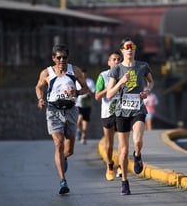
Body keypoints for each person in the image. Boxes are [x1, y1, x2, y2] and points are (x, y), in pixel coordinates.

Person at [35, 44, 90, 195]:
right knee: (58, 143)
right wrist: (40, 99)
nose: (61, 60)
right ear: (53, 58)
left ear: (68, 57)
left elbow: (86, 89)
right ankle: (62, 181)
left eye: (64, 57)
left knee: (69, 150)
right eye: (58, 57)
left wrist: (77, 92)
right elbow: (38, 87)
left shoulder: (75, 70)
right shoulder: (46, 72)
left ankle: (63, 158)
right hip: (53, 110)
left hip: (71, 110)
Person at [106, 38, 154, 195]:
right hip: (121, 112)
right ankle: (125, 181)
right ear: (122, 50)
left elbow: (151, 83)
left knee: (138, 141)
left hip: (138, 108)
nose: (130, 49)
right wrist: (121, 82)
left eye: (132, 46)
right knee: (124, 150)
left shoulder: (142, 66)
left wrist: (146, 91)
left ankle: (138, 155)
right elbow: (109, 94)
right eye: (127, 47)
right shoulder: (117, 69)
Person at [95, 50, 122, 181]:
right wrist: (109, 88)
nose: (116, 62)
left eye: (119, 59)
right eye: (114, 59)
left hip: (123, 112)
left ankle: (121, 165)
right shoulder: (103, 76)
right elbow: (97, 96)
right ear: (109, 62)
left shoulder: (126, 75)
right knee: (109, 143)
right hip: (107, 113)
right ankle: (110, 164)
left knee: (123, 141)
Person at [75, 68, 95, 145]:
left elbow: (93, 93)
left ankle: (83, 137)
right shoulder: (76, 81)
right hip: (78, 104)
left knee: (85, 122)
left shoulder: (90, 82)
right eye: (82, 73)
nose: (83, 75)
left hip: (87, 103)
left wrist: (87, 90)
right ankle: (78, 130)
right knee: (79, 118)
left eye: (84, 74)